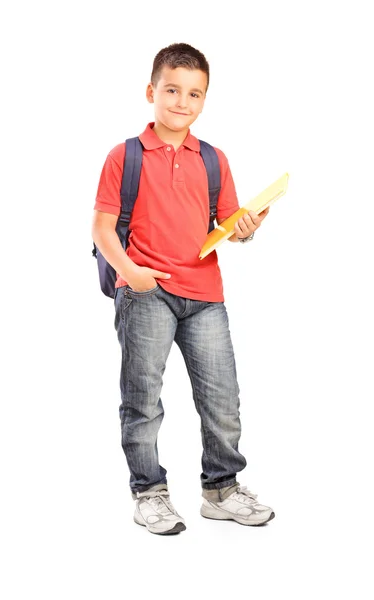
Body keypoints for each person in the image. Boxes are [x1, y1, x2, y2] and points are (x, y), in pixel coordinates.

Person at [91, 42, 274, 535]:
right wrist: (132, 273)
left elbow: (228, 225)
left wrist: (246, 226)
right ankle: (148, 493)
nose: (182, 102)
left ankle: (221, 490)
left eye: (194, 94)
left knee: (222, 399)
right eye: (172, 90)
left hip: (206, 295)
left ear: (204, 100)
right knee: (143, 399)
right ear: (152, 92)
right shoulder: (124, 155)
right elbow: (102, 228)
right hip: (146, 290)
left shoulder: (213, 159)